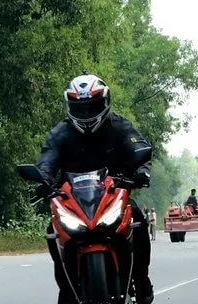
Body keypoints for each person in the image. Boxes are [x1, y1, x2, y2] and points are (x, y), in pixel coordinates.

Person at [35, 73, 154, 304]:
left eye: (93, 106)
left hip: (114, 195)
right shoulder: (60, 133)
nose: (87, 114)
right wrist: (42, 180)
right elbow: (46, 161)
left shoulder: (120, 126)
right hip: (73, 202)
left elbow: (138, 146)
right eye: (80, 108)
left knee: (137, 218)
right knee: (53, 229)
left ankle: (141, 278)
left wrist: (142, 171)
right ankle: (67, 290)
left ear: (105, 102)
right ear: (69, 106)